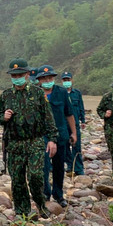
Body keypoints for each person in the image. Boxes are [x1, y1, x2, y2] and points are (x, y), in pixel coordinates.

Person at [0, 58, 58, 219]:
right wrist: (4, 117)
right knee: (17, 178)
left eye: (20, 74)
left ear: (28, 74)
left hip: (34, 141)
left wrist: (52, 139)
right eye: (14, 75)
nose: (17, 78)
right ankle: (22, 211)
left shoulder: (37, 93)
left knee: (36, 176)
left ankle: (41, 205)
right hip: (14, 143)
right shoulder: (6, 95)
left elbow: (48, 117)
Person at [36, 65, 76, 208]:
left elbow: (69, 114)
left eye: (49, 77)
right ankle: (45, 193)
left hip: (61, 135)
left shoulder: (62, 92)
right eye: (44, 78)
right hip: (42, 135)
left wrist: (74, 133)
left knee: (59, 166)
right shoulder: (36, 94)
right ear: (39, 80)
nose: (47, 80)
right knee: (44, 166)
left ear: (53, 78)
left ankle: (58, 194)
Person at [62, 71, 86, 176]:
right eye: (65, 80)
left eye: (68, 79)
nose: (67, 82)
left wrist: (83, 120)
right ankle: (69, 165)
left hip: (75, 124)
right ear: (61, 81)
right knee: (65, 146)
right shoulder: (60, 93)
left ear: (72, 80)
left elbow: (81, 107)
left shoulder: (77, 93)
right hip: (63, 124)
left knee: (77, 146)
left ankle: (79, 168)